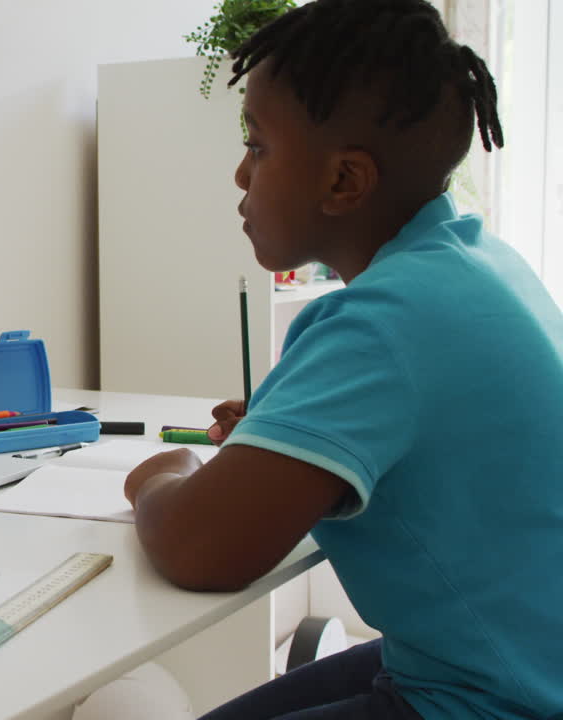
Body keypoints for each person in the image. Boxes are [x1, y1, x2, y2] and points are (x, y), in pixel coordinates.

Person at [121, 1, 563, 718]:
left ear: (343, 182)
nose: (240, 174)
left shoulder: (382, 320)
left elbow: (200, 549)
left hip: (497, 699)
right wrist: (283, 438)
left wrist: (159, 477)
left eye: (257, 147)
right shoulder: (477, 263)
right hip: (509, 660)